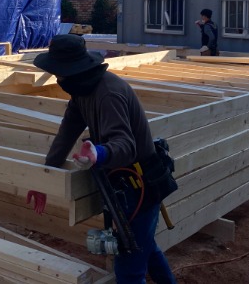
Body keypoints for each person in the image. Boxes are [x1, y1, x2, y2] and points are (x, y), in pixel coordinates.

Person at [26, 34, 177, 284]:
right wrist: (46, 177)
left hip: (139, 185)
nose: (56, 78)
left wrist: (99, 153)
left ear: (70, 70)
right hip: (124, 182)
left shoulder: (108, 94)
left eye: (58, 73)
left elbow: (125, 145)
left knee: (129, 267)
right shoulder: (82, 89)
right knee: (145, 248)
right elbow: (67, 133)